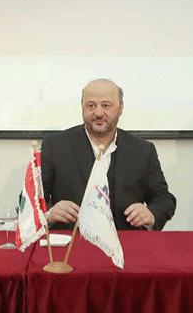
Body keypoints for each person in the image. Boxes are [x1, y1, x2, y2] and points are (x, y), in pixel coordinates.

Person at [41, 78, 176, 231]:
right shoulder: (55, 146)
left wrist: (151, 215)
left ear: (120, 108)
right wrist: (49, 213)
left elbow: (164, 199)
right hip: (72, 240)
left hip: (125, 241)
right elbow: (30, 199)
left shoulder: (143, 150)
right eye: (91, 105)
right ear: (82, 107)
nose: (98, 113)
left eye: (106, 106)